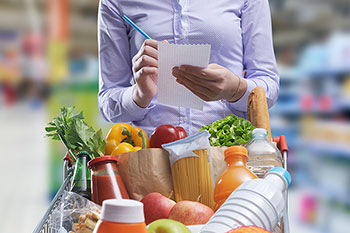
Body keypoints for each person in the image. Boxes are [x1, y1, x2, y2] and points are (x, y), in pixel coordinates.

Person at [97, 0, 279, 136]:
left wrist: (235, 89)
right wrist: (139, 96)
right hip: (152, 156)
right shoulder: (115, 2)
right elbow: (107, 102)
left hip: (226, 153)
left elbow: (268, 85)